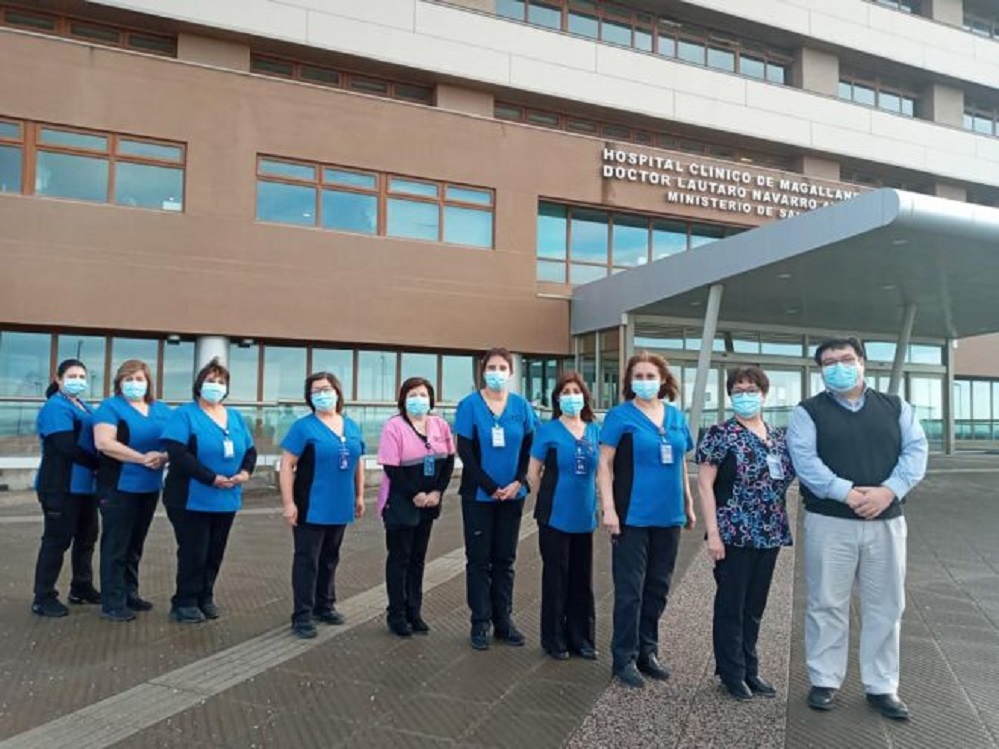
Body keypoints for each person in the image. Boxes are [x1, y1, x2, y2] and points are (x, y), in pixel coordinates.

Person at [788, 337, 927, 721]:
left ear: (863, 362)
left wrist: (888, 492)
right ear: (820, 370)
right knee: (825, 602)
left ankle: (882, 686)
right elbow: (805, 461)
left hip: (886, 519)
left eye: (845, 359)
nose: (838, 366)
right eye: (829, 362)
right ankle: (824, 679)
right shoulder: (807, 412)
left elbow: (915, 452)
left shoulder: (896, 407)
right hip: (830, 520)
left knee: (886, 605)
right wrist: (848, 494)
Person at [695, 366, 795, 700]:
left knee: (754, 606)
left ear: (764, 394)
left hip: (770, 531)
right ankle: (731, 671)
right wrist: (714, 533)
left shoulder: (779, 437)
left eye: (752, 389)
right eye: (738, 390)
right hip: (734, 532)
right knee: (731, 604)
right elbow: (705, 484)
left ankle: (751, 668)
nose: (745, 395)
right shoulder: (719, 434)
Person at [597, 351, 696, 689]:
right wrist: (608, 508)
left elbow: (681, 460)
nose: (644, 381)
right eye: (637, 376)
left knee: (658, 587)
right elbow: (604, 464)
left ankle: (647, 652)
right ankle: (623, 656)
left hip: (668, 515)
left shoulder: (675, 416)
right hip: (632, 516)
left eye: (650, 376)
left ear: (664, 380)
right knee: (630, 590)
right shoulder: (619, 416)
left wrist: (689, 501)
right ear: (629, 382)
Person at [161, 357, 256, 624]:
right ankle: (185, 601)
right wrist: (210, 477)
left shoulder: (234, 416)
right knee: (194, 551)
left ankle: (205, 596)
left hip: (226, 497)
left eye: (220, 382)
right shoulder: (184, 414)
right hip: (191, 497)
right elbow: (178, 453)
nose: (215, 386)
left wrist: (245, 472)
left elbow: (249, 449)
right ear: (199, 385)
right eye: (210, 381)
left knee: (215, 551)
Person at [455, 347, 535, 650]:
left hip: (513, 495)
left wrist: (517, 482)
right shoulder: (469, 406)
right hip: (479, 496)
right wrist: (490, 487)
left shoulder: (521, 407)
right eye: (492, 367)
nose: (497, 373)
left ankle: (504, 621)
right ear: (483, 371)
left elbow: (529, 447)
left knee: (505, 560)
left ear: (511, 373)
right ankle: (480, 623)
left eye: (503, 368)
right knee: (478, 561)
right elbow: (466, 452)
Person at [280, 372, 365, 639]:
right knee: (308, 560)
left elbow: (358, 462)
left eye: (327, 389)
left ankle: (324, 605)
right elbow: (286, 465)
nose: (322, 394)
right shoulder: (303, 427)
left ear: (338, 392)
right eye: (316, 390)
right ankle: (302, 614)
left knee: (330, 558)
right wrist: (288, 503)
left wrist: (360, 496)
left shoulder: (351, 425)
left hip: (340, 504)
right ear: (309, 397)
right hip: (311, 505)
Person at [527, 371, 599, 661]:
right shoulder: (548, 431)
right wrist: (545, 498)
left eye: (576, 391)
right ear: (558, 398)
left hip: (585, 516)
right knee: (557, 577)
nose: (572, 397)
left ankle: (582, 638)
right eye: (566, 392)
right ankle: (554, 639)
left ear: (585, 396)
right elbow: (533, 472)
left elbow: (604, 470)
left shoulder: (595, 429)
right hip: (554, 515)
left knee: (582, 578)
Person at [376, 377, 455, 637]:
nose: (418, 399)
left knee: (418, 560)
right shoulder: (394, 427)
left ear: (431, 399)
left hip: (429, 503)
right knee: (400, 559)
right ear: (403, 399)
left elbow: (449, 461)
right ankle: (396, 614)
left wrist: (437, 491)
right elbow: (392, 468)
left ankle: (414, 611)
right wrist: (416, 493)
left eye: (423, 394)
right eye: (412, 395)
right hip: (402, 502)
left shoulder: (440, 425)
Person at [93, 359, 171, 622]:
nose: (134, 384)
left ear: (148, 382)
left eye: (139, 379)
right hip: (118, 486)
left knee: (135, 544)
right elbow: (104, 443)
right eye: (128, 379)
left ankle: (130, 593)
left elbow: (178, 441)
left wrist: (163, 456)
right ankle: (112, 602)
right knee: (116, 543)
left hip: (148, 487)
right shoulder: (110, 407)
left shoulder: (161, 410)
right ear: (119, 383)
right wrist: (142, 458)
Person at [31, 358, 101, 617]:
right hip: (60, 486)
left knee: (86, 539)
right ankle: (43, 596)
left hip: (86, 488)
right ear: (58, 379)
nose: (78, 381)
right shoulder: (55, 407)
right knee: (56, 540)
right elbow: (65, 446)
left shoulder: (84, 406)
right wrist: (99, 463)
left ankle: (81, 587)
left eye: (82, 376)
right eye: (72, 376)